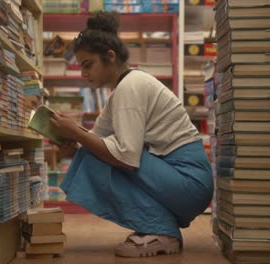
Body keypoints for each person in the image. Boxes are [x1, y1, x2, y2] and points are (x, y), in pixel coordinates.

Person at [50, 11, 213, 258]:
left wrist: (78, 135)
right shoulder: (122, 90)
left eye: (88, 64)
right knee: (91, 154)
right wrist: (75, 142)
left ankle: (161, 230)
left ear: (110, 57)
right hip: (180, 181)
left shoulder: (130, 87)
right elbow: (96, 139)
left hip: (189, 182)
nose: (83, 73)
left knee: (97, 154)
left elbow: (125, 156)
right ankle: (158, 227)